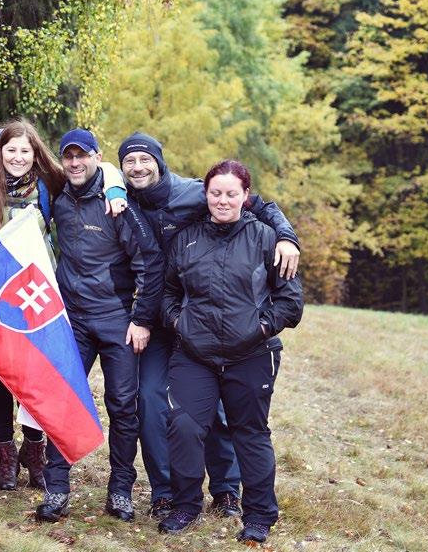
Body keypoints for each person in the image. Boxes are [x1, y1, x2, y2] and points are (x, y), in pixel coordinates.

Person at [116, 132, 301, 521]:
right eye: (128, 161)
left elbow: (262, 210)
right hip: (178, 325)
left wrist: (285, 237)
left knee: (224, 414)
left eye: (144, 160)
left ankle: (227, 491)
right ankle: (169, 494)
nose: (137, 167)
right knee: (159, 406)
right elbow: (165, 286)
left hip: (236, 336)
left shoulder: (198, 196)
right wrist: (173, 320)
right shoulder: (118, 196)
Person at [0, 119, 128, 490]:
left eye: (25, 150)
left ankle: (34, 449)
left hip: (36, 290)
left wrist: (116, 186)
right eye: (11, 150)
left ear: (36, 153)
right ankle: (5, 453)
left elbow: (96, 167)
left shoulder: (47, 182)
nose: (18, 157)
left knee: (33, 372)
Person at [157, 159, 303, 542]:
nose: (223, 201)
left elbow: (291, 302)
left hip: (251, 354)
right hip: (195, 353)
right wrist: (178, 323)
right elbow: (169, 293)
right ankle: (185, 505)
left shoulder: (267, 239)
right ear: (206, 195)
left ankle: (258, 516)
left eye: (231, 194)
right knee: (185, 427)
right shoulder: (186, 238)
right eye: (216, 193)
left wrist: (258, 329)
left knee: (249, 433)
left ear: (245, 197)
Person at [34, 129, 162, 524]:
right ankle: (56, 486)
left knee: (123, 406)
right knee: (62, 397)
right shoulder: (59, 199)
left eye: (82, 156)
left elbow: (149, 262)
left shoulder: (117, 206)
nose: (75, 163)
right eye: (67, 156)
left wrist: (141, 319)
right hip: (72, 318)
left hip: (117, 320)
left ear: (95, 157)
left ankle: (121, 490)